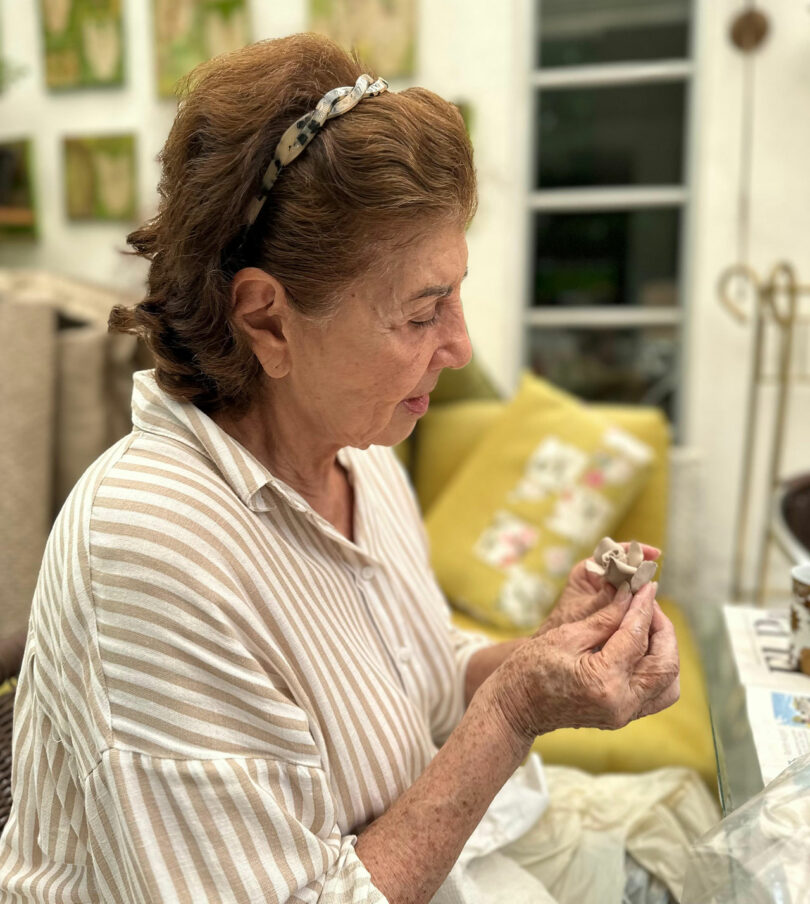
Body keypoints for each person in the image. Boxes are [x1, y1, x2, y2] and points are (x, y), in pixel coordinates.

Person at [0, 33, 701, 904]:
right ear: (267, 320)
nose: (461, 345)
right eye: (422, 312)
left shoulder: (360, 456)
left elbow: (415, 680)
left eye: (457, 292)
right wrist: (515, 708)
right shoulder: (152, 549)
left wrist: (544, 659)